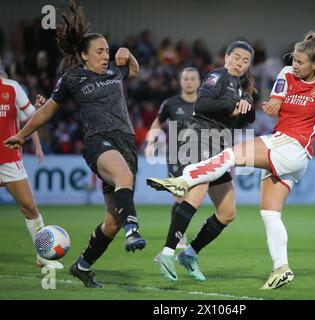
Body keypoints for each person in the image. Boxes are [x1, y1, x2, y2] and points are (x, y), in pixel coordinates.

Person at [147, 31, 315, 289]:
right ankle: (280, 268)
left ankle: (182, 181)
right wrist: (269, 104)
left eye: (300, 62)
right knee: (268, 214)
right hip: (281, 149)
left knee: (231, 156)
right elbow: (276, 98)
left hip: (292, 148)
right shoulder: (285, 73)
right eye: (293, 60)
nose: (294, 65)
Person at [4, 0, 145, 288]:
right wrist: (23, 134)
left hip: (126, 143)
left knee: (111, 221)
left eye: (107, 50)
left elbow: (136, 71)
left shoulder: (113, 73)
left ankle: (82, 265)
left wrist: (127, 56)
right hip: (98, 142)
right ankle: (133, 229)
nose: (105, 55)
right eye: (99, 51)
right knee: (124, 177)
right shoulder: (72, 78)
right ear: (83, 55)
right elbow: (46, 111)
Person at [148, 40, 256, 282]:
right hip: (200, 139)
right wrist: (233, 104)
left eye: (245, 60)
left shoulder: (240, 87)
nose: (240, 63)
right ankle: (166, 253)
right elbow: (202, 103)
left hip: (220, 147)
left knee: (227, 212)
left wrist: (247, 104)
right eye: (236, 57)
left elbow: (250, 118)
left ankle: (190, 253)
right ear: (226, 57)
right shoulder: (218, 75)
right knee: (195, 196)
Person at [0, 69, 63, 269]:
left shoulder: (12, 88)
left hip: (8, 157)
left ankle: (43, 256)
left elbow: (31, 117)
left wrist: (38, 109)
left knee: (29, 207)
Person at [144, 67, 201, 249]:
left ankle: (179, 231)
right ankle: (179, 235)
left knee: (192, 198)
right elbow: (157, 121)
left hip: (200, 155)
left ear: (199, 82)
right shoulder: (171, 103)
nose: (190, 81)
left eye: (193, 78)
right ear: (181, 82)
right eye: (186, 79)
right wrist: (151, 142)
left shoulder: (205, 103)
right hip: (176, 155)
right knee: (179, 195)